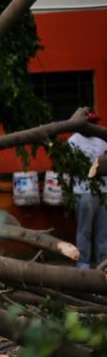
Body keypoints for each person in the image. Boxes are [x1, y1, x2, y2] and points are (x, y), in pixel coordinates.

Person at [68, 111, 107, 270]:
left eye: (94, 123)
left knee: (103, 231)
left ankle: (103, 265)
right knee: (84, 230)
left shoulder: (103, 141)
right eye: (90, 123)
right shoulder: (73, 141)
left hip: (104, 191)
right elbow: (69, 166)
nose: (93, 126)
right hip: (83, 191)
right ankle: (83, 265)